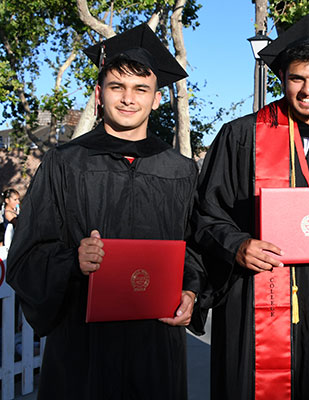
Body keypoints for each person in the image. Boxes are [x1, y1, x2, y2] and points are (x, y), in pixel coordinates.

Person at [7, 24, 204, 400]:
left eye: (140, 89)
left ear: (157, 99)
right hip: (83, 348)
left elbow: (195, 251)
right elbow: (25, 257)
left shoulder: (179, 170)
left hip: (156, 346)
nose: (128, 99)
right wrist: (71, 260)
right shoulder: (65, 163)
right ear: (99, 94)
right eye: (117, 87)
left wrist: (191, 293)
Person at [189, 12, 309, 400]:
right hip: (255, 293)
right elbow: (206, 213)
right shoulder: (240, 136)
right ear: (281, 78)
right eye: (297, 78)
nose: (308, 90)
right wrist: (238, 245)